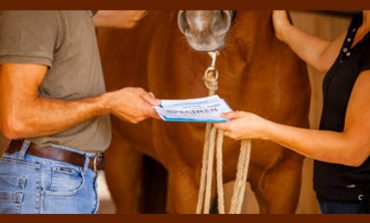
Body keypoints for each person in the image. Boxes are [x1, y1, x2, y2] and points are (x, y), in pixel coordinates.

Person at [0, 10, 159, 214]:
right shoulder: (34, 14)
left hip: (62, 181)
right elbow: (16, 119)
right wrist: (107, 103)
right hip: (45, 182)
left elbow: (130, 15)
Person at [215, 10, 370, 214]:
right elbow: (324, 56)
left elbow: (352, 151)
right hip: (338, 196)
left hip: (359, 201)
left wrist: (264, 129)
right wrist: (284, 29)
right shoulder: (361, 24)